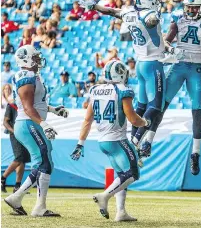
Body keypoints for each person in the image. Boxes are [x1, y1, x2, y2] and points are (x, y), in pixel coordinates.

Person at [79, 0, 167, 160]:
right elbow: (150, 20)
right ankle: (135, 140)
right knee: (156, 106)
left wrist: (94, 6)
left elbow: (111, 11)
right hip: (153, 64)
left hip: (141, 64)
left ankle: (133, 141)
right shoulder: (148, 15)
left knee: (141, 106)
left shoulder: (129, 13)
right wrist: (155, 16)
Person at [141, 0, 201, 175]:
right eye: (189, 7)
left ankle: (195, 154)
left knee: (197, 111)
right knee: (161, 105)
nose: (191, 10)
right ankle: (148, 141)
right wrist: (170, 49)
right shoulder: (178, 17)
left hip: (197, 70)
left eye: (194, 7)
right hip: (178, 66)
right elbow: (166, 41)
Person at [70, 60, 150, 221]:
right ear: (120, 73)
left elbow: (87, 120)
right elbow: (133, 119)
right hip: (118, 139)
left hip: (103, 142)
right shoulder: (122, 90)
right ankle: (104, 196)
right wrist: (146, 122)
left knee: (122, 175)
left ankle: (120, 211)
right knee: (133, 173)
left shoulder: (95, 90)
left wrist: (80, 144)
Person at [4, 45, 69, 217]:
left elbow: (36, 104)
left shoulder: (32, 76)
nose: (39, 60)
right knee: (44, 164)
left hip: (29, 123)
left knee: (45, 164)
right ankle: (35, 205)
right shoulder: (27, 76)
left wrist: (53, 110)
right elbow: (27, 107)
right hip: (28, 123)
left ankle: (19, 199)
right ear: (26, 59)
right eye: (35, 57)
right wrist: (43, 123)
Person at [1, 102, 31, 193]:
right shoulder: (11, 106)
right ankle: (2, 178)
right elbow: (5, 122)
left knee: (23, 160)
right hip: (14, 134)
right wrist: (14, 131)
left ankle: (17, 186)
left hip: (25, 135)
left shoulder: (27, 105)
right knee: (19, 157)